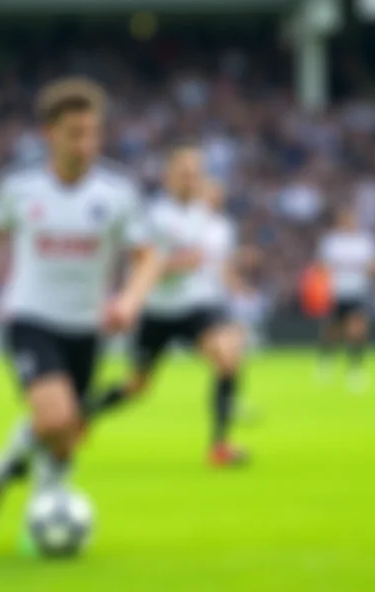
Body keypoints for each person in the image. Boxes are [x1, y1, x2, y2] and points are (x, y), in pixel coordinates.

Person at [0, 77, 162, 534]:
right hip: (29, 318)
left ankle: (0, 469)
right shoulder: (19, 187)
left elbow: (148, 256)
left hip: (87, 328)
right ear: (49, 133)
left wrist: (129, 301)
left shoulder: (116, 193)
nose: (85, 143)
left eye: (92, 132)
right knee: (56, 418)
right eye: (74, 132)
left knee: (67, 434)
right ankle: (45, 509)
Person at [86, 146, 249, 467]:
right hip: (157, 310)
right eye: (184, 174)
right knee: (136, 386)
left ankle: (219, 445)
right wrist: (176, 264)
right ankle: (83, 414)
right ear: (169, 177)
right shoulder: (153, 215)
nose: (190, 180)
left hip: (197, 305)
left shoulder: (205, 214)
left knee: (228, 357)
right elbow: (140, 266)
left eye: (195, 174)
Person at [316, 208, 375, 392]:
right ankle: (326, 360)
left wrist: (371, 268)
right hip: (337, 292)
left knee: (357, 327)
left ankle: (355, 368)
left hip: (359, 291)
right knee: (334, 329)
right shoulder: (332, 242)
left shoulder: (366, 241)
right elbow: (322, 265)